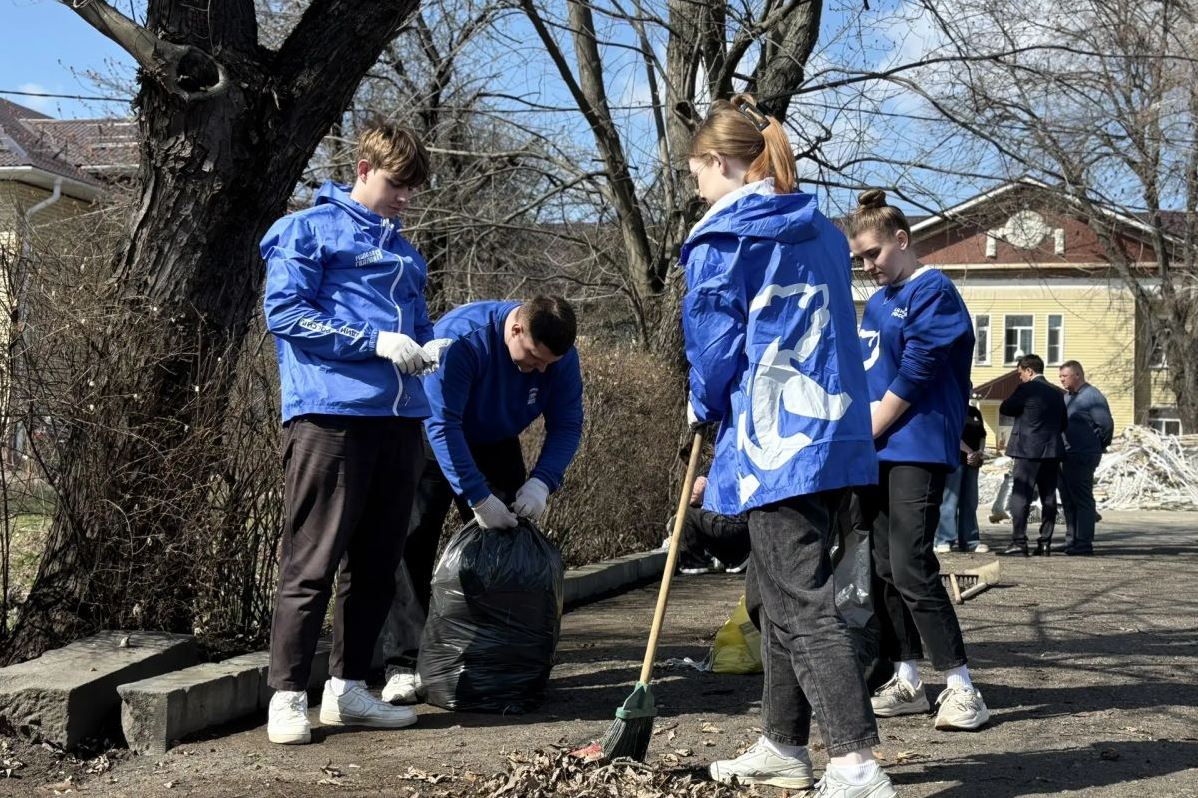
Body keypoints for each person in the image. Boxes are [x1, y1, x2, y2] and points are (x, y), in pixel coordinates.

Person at [683, 94, 895, 798]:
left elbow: (714, 348)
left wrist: (702, 402)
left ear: (719, 162)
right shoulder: (823, 232)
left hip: (777, 444)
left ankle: (856, 762)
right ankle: (783, 742)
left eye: (697, 174)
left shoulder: (725, 238)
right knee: (779, 600)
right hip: (833, 434)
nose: (697, 189)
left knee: (802, 606)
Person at [261, 121, 444, 745]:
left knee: (378, 564)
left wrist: (425, 348)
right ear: (363, 169)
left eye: (411, 189)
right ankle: (286, 696)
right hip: (331, 418)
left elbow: (412, 330)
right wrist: (372, 342)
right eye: (396, 184)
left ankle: (348, 692)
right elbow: (284, 313)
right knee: (312, 560)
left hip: (399, 423)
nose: (403, 198)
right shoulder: (305, 231)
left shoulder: (407, 255)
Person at [379, 296, 584, 705]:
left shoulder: (559, 359)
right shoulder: (462, 340)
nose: (539, 369)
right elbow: (443, 424)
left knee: (506, 548)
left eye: (548, 363)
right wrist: (477, 496)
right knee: (411, 542)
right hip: (432, 440)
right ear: (516, 330)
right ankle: (402, 663)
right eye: (532, 358)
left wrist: (542, 481)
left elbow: (568, 422)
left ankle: (500, 655)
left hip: (494, 439)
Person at [850, 189, 991, 733]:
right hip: (879, 449)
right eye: (859, 259)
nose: (868, 267)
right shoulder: (880, 301)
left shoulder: (935, 291)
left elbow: (918, 369)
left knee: (912, 564)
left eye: (874, 255)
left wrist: (869, 429)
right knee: (884, 568)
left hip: (917, 446)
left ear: (902, 240)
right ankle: (908, 677)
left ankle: (961, 686)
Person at [998, 354, 1068, 557]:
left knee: (1021, 496)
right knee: (1048, 496)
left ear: (1029, 371)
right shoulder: (1057, 393)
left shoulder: (1027, 389)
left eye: (1020, 374)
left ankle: (1019, 542)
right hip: (1052, 451)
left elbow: (1006, 408)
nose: (1019, 378)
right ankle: (1044, 542)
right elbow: (1063, 423)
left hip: (1027, 450)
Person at [1056, 360, 1113, 555]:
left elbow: (1105, 425)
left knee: (1082, 499)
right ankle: (1071, 540)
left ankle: (1084, 542)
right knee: (1068, 499)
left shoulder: (1092, 396)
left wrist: (1096, 445)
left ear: (1077, 375)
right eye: (1060, 376)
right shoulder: (1067, 398)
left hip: (1082, 455)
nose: (1061, 379)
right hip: (1066, 455)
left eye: (1065, 376)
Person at [934, 402, 989, 553]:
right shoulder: (951, 408)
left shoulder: (975, 412)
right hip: (955, 460)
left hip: (973, 463)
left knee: (970, 501)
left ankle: (971, 541)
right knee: (949, 501)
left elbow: (982, 435)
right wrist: (970, 452)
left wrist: (979, 452)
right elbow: (951, 434)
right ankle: (944, 539)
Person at [674, 474, 750, 575]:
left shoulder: (706, 480)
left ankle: (693, 563)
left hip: (733, 524)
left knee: (686, 513)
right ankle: (736, 559)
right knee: (694, 522)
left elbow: (694, 496)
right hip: (742, 531)